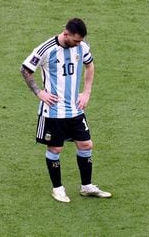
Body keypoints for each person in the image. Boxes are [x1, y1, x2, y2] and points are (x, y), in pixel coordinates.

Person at [20, 18, 111, 202]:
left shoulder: (81, 47)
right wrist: (39, 93)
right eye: (76, 40)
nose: (79, 44)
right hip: (53, 111)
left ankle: (86, 186)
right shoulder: (46, 49)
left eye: (81, 40)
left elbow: (90, 65)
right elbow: (25, 69)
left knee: (86, 145)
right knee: (55, 147)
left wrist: (86, 92)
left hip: (75, 109)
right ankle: (58, 189)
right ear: (66, 33)